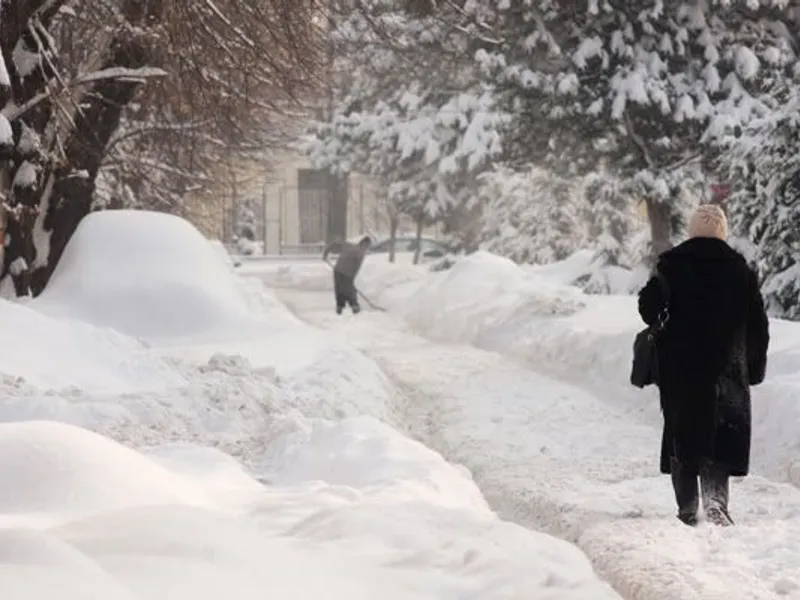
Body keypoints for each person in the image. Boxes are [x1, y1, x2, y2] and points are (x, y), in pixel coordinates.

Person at [638, 204, 769, 527]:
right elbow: (758, 326)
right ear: (722, 230)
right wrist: (752, 367)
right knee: (721, 433)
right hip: (727, 367)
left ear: (692, 229)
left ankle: (687, 505)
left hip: (680, 367)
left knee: (683, 432)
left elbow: (648, 308)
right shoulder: (740, 270)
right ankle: (715, 500)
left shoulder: (672, 264)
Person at [322, 236, 372, 315]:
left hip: (338, 271)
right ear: (364, 244)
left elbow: (336, 243)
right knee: (349, 290)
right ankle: (355, 307)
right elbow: (357, 268)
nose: (367, 248)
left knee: (339, 288)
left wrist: (325, 253)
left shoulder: (349, 245)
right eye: (367, 246)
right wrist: (353, 280)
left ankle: (340, 307)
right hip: (347, 273)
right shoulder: (361, 253)